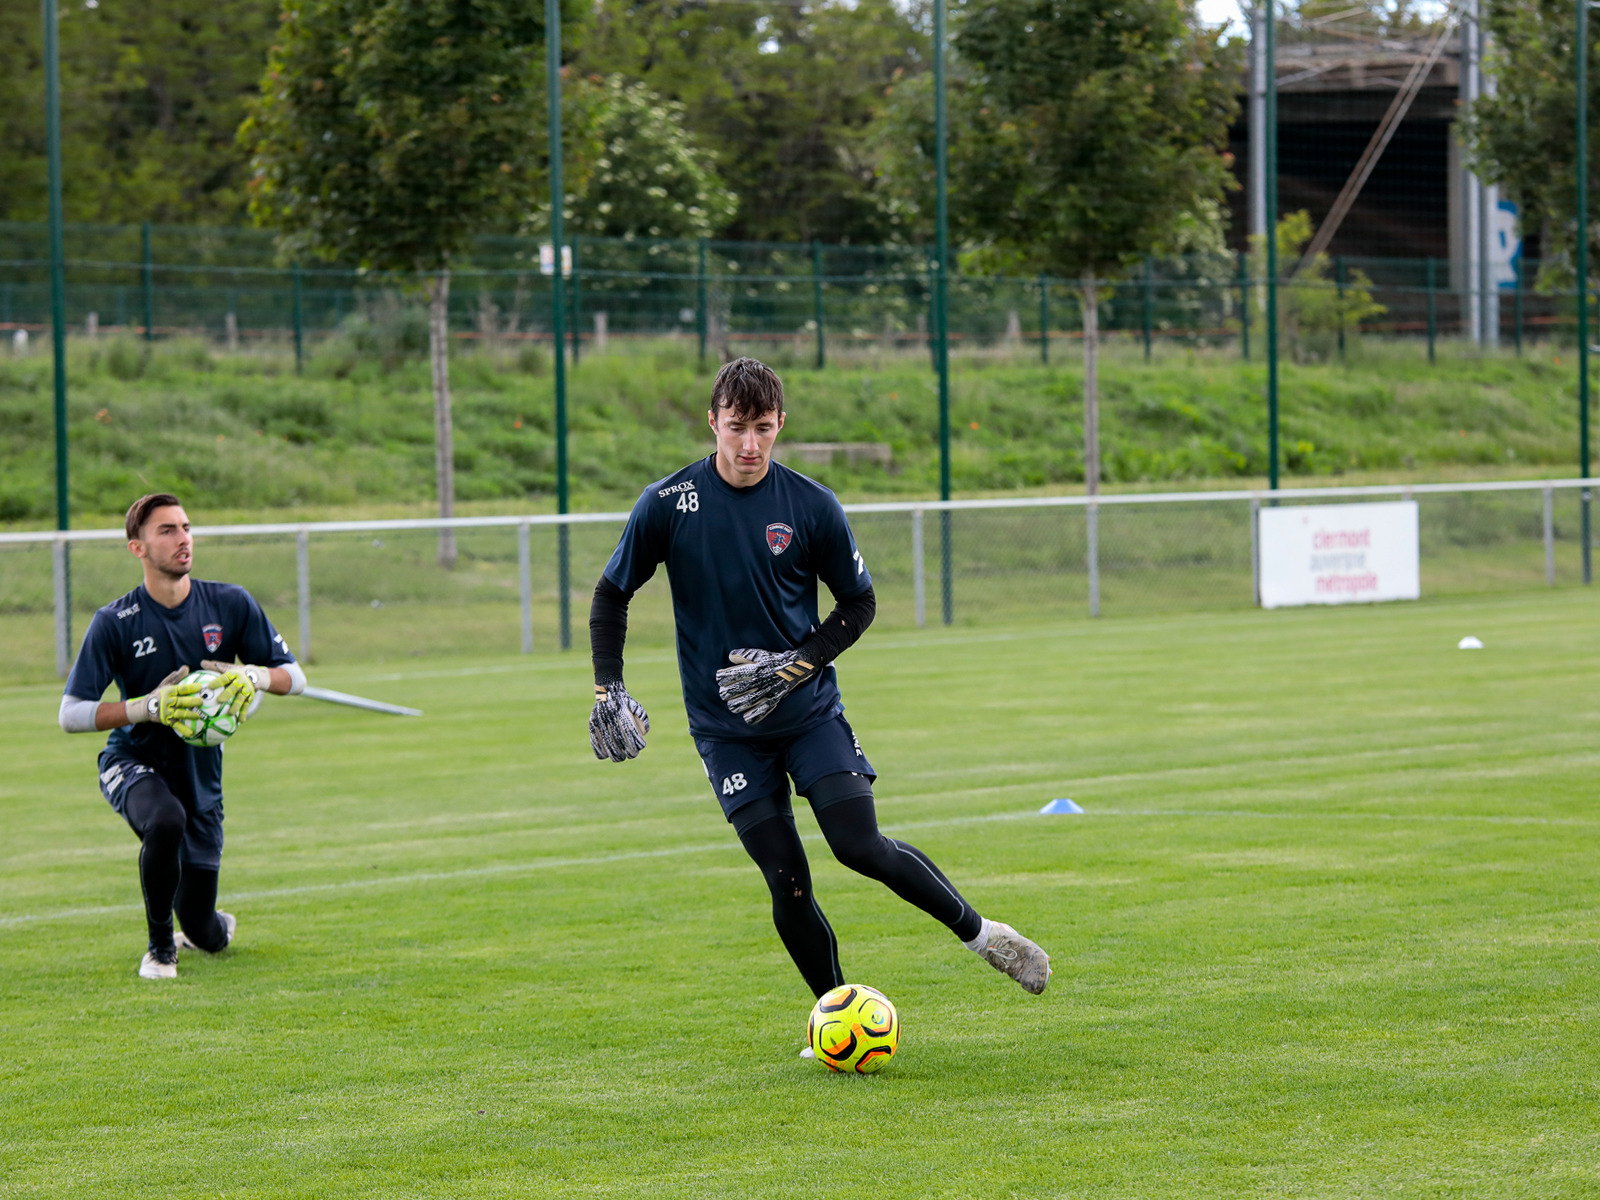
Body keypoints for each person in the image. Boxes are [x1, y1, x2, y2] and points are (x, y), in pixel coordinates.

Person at [588, 358, 1050, 1022]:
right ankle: (836, 1016)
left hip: (808, 714)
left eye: (764, 428)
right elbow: (612, 594)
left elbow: (859, 603)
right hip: (726, 733)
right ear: (712, 421)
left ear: (781, 424)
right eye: (737, 427)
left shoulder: (811, 505)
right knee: (788, 880)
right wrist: (608, 687)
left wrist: (794, 667)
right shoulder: (667, 503)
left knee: (858, 845)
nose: (750, 445)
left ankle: (986, 938)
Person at [58, 493, 305, 980]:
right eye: (167, 530)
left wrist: (252, 676)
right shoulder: (115, 622)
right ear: (138, 548)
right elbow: (70, 714)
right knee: (164, 820)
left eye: (186, 527)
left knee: (204, 929)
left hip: (200, 777)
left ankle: (205, 929)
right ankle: (159, 950)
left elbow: (295, 678)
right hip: (133, 761)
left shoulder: (230, 603)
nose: (183, 538)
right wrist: (146, 707)